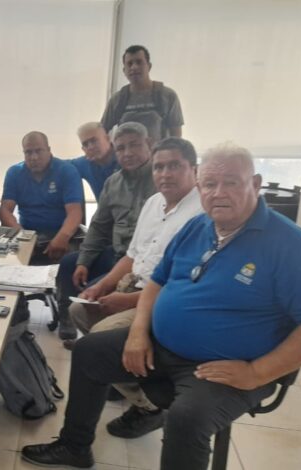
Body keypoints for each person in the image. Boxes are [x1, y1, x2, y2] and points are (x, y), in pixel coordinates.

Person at [22, 143, 301, 470]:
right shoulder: (197, 227)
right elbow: (157, 282)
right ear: (199, 186)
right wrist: (138, 333)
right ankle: (74, 447)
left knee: (187, 418)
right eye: (209, 184)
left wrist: (257, 373)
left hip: (224, 364)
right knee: (89, 351)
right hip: (163, 345)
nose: (218, 193)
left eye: (231, 182)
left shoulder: (290, 244)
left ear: (255, 184)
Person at [64, 137, 203, 439]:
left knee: (97, 339)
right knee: (79, 310)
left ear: (194, 169)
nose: (165, 174)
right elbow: (132, 256)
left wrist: (127, 302)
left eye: (174, 166)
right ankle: (126, 377)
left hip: (165, 302)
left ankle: (148, 407)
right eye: (159, 167)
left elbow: (184, 286)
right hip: (135, 284)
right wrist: (101, 286)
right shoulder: (154, 203)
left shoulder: (202, 214)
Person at [55, 122, 157, 340]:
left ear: (149, 144)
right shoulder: (113, 182)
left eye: (134, 145)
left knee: (94, 301)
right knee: (70, 264)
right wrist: (84, 261)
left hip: (144, 263)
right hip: (118, 254)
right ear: (114, 149)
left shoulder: (162, 181)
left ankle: (100, 341)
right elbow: (99, 227)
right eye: (121, 148)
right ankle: (70, 325)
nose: (127, 153)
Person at [0, 131, 84, 265]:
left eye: (39, 151)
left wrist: (62, 237)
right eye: (28, 152)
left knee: (68, 267)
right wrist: (21, 235)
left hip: (62, 234)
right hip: (27, 234)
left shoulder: (67, 170)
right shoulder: (14, 173)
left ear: (49, 150)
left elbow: (75, 212)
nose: (34, 157)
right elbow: (5, 210)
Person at [101, 45, 184, 143]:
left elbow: (176, 138)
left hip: (158, 152)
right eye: (129, 64)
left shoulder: (167, 96)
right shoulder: (117, 100)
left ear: (149, 66)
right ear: (124, 70)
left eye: (139, 62)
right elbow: (101, 132)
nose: (134, 67)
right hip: (127, 153)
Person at [70, 122, 119, 201]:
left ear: (108, 139)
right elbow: (58, 166)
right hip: (104, 208)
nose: (90, 147)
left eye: (94, 141)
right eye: (85, 144)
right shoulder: (85, 164)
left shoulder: (125, 158)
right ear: (83, 149)